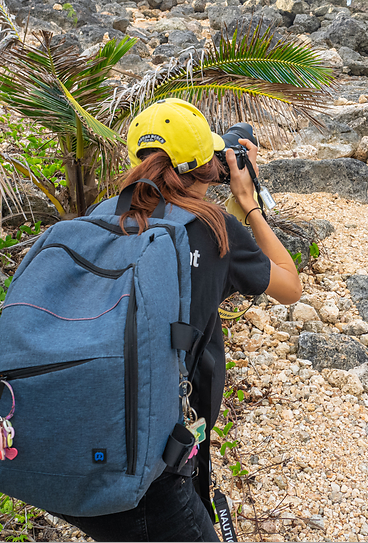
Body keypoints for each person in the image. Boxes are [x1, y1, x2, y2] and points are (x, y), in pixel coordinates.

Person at [52, 98, 302, 542]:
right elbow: (290, 286)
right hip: (150, 471)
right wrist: (248, 203)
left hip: (67, 447)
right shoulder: (213, 227)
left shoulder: (99, 216)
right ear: (209, 167)